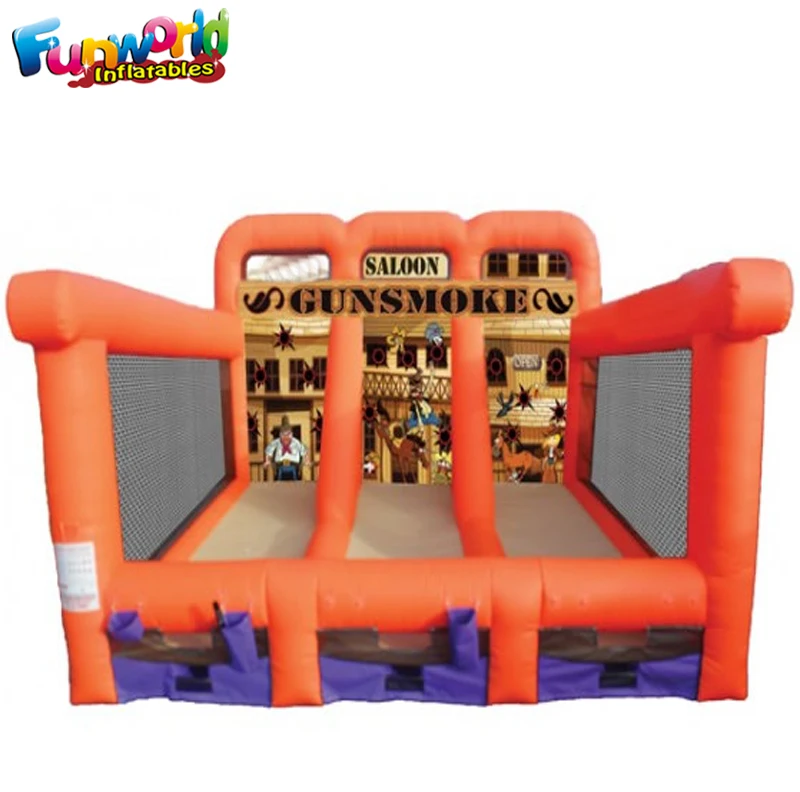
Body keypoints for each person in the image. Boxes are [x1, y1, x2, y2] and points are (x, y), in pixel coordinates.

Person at [264, 415, 307, 481]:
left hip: (291, 463)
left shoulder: (294, 442)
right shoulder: (278, 441)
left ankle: (294, 474)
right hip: (282, 464)